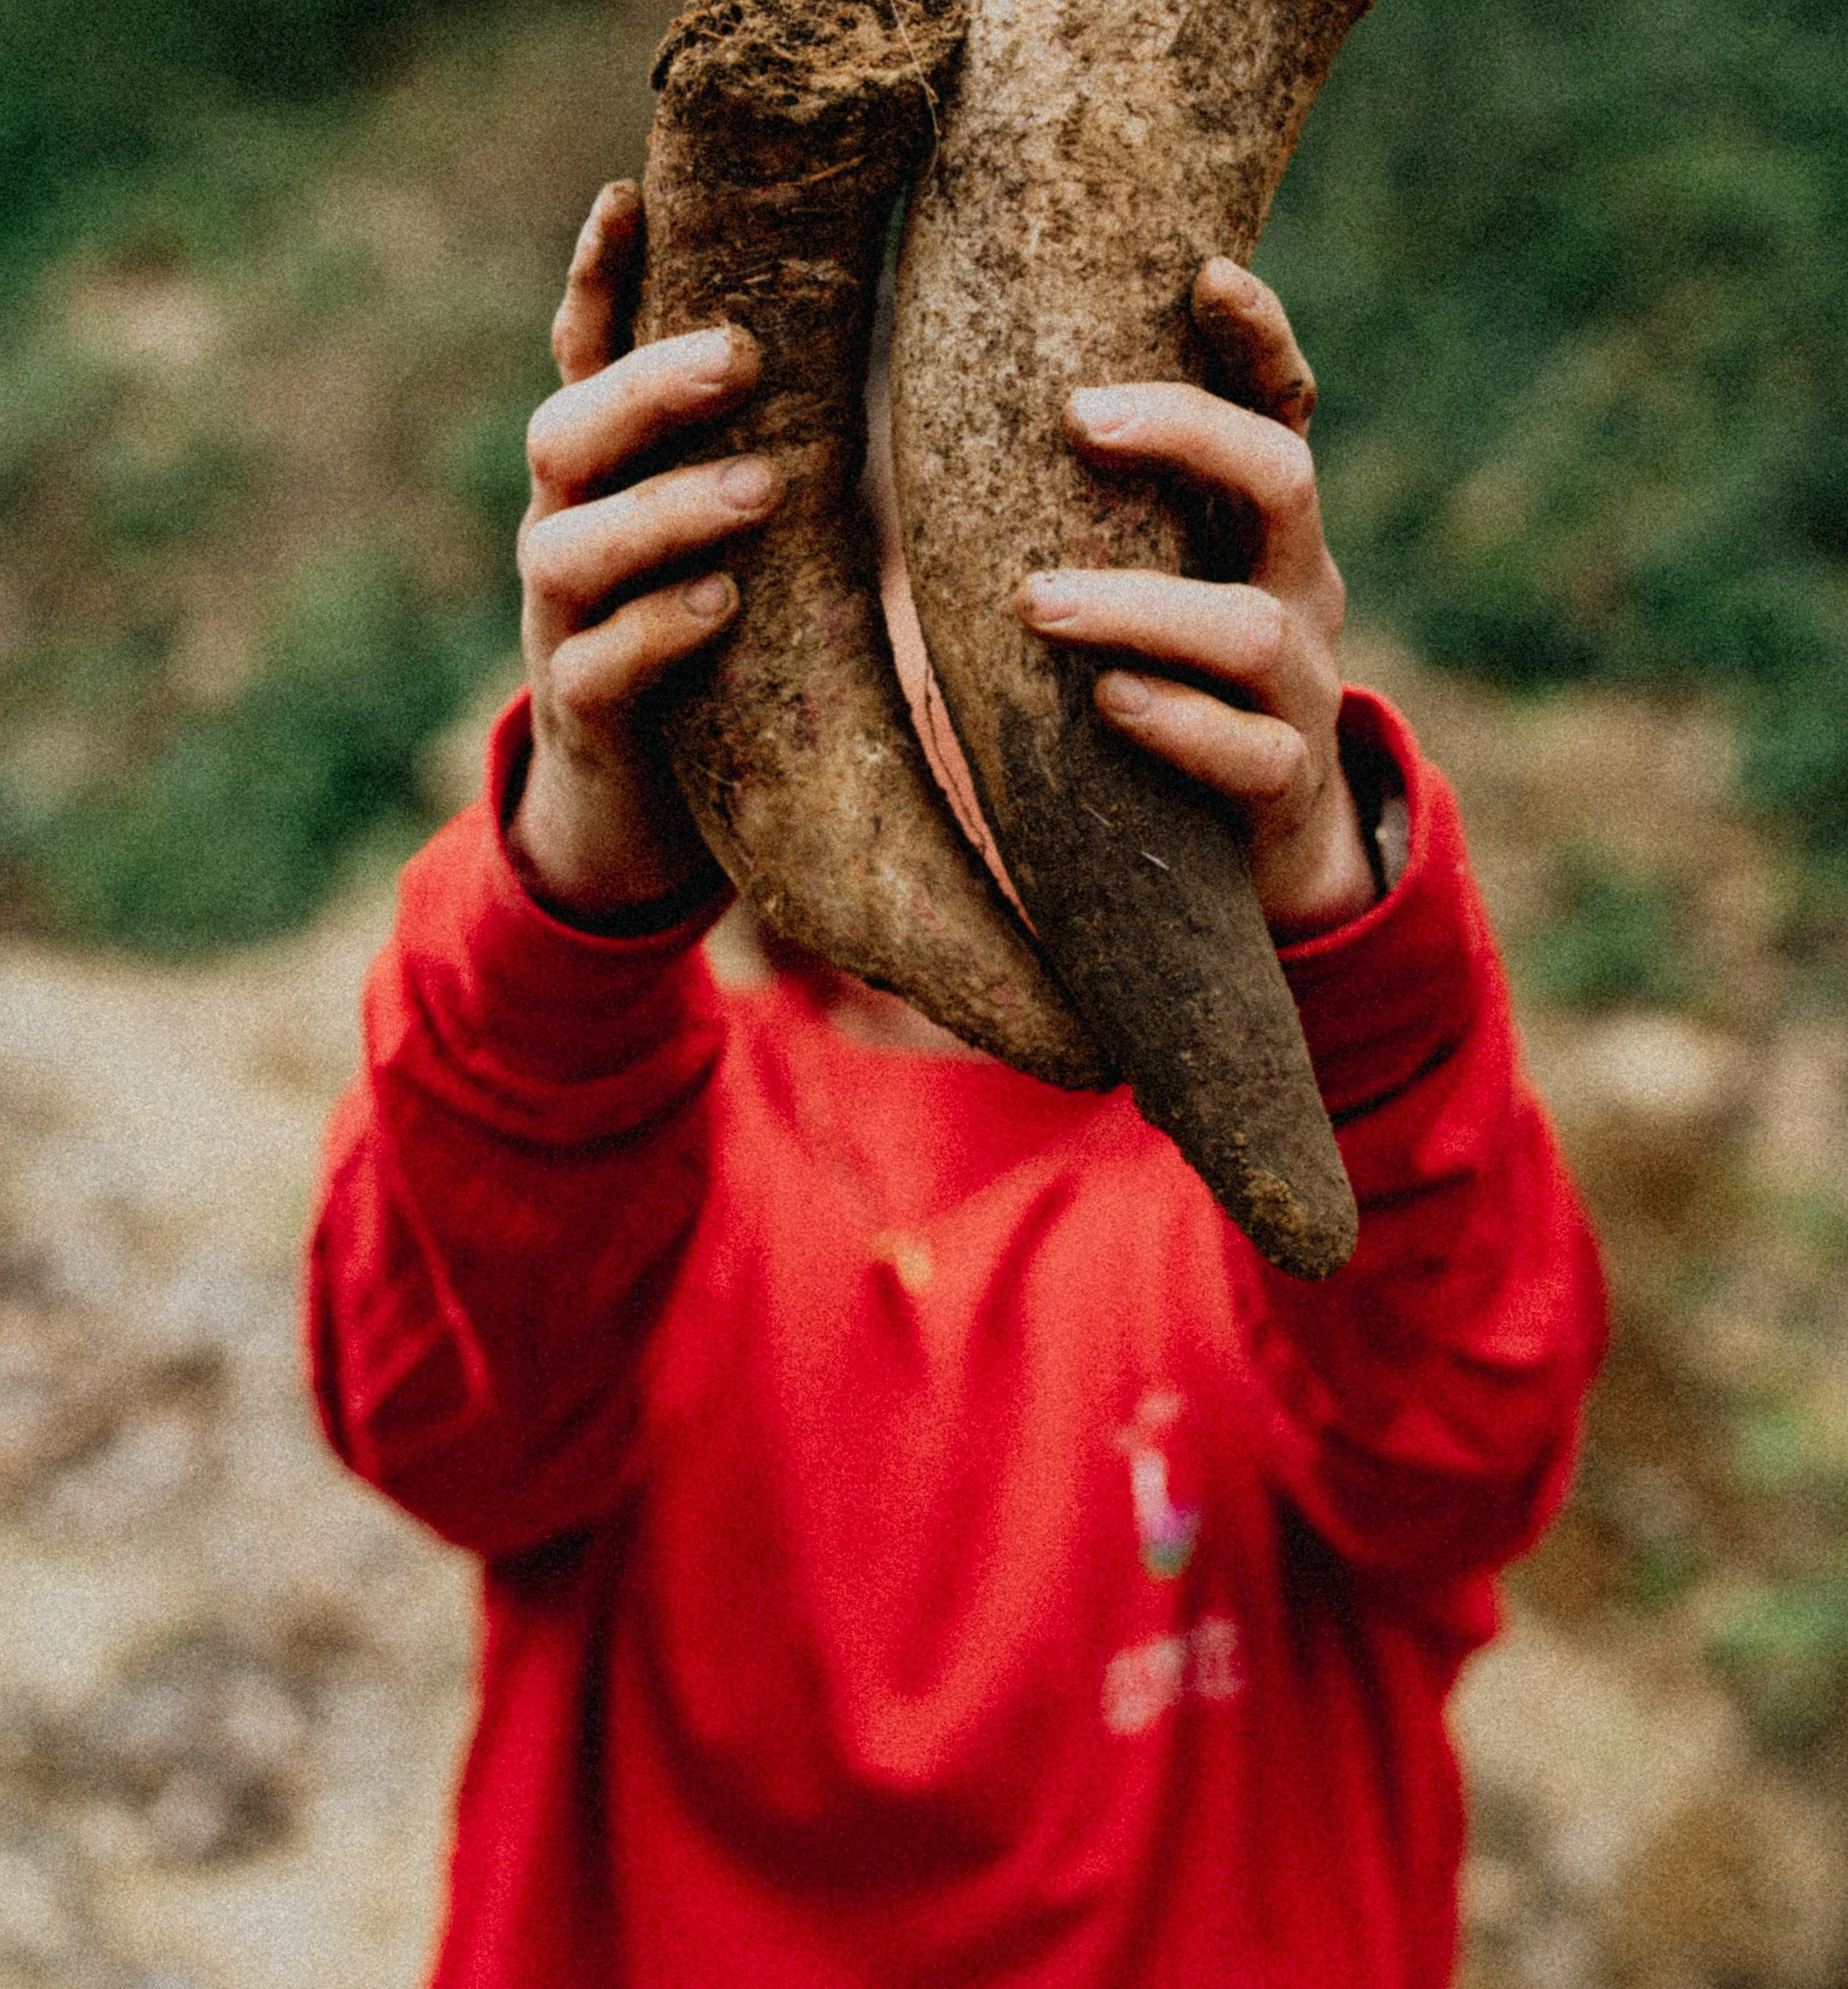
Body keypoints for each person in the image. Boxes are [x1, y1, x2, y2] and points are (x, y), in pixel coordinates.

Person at [308, 179, 1605, 1989]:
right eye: (928, 586)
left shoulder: (1288, 1138)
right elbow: (446, 1429)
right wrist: (573, 890)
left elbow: (1462, 1456)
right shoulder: (628, 1116)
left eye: (1082, 577)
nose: (1019, 655)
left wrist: (1331, 897)